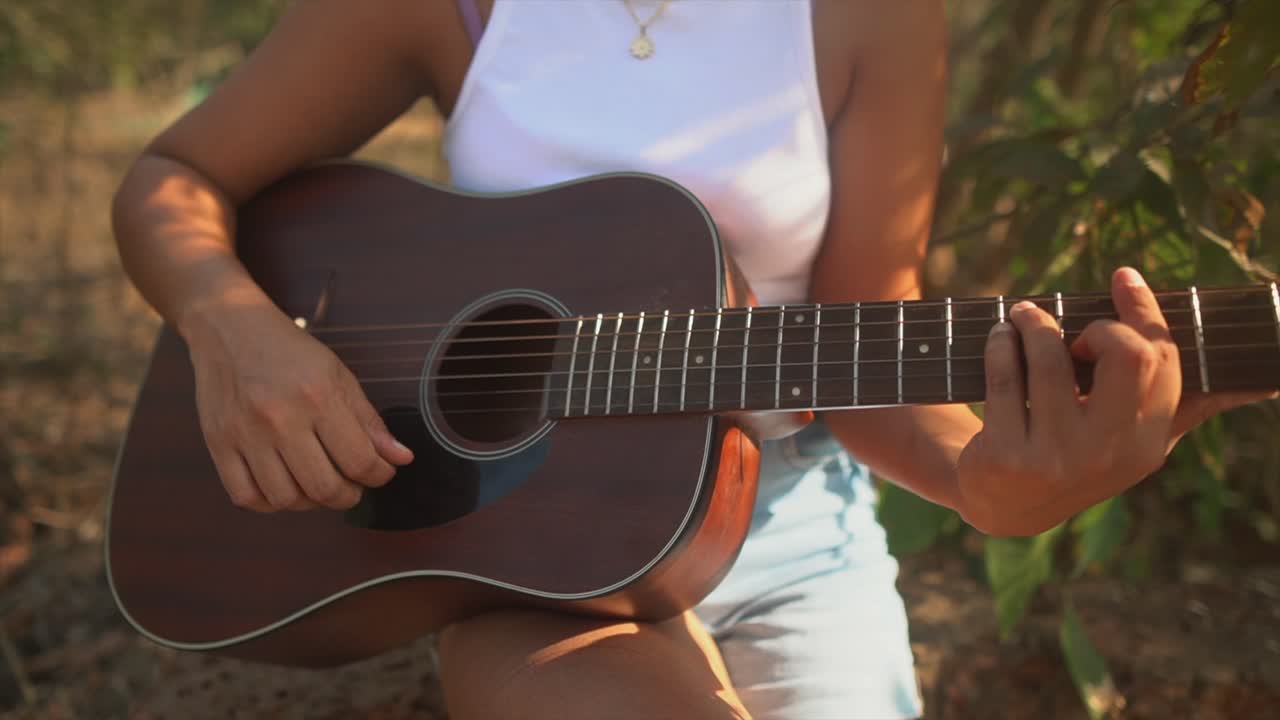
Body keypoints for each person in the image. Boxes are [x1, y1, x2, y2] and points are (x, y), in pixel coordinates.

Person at [110, 1, 1270, 718]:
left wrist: (996, 490)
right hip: (520, 558)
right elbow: (176, 178)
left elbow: (866, 348)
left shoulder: (866, 9)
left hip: (786, 514)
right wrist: (239, 332)